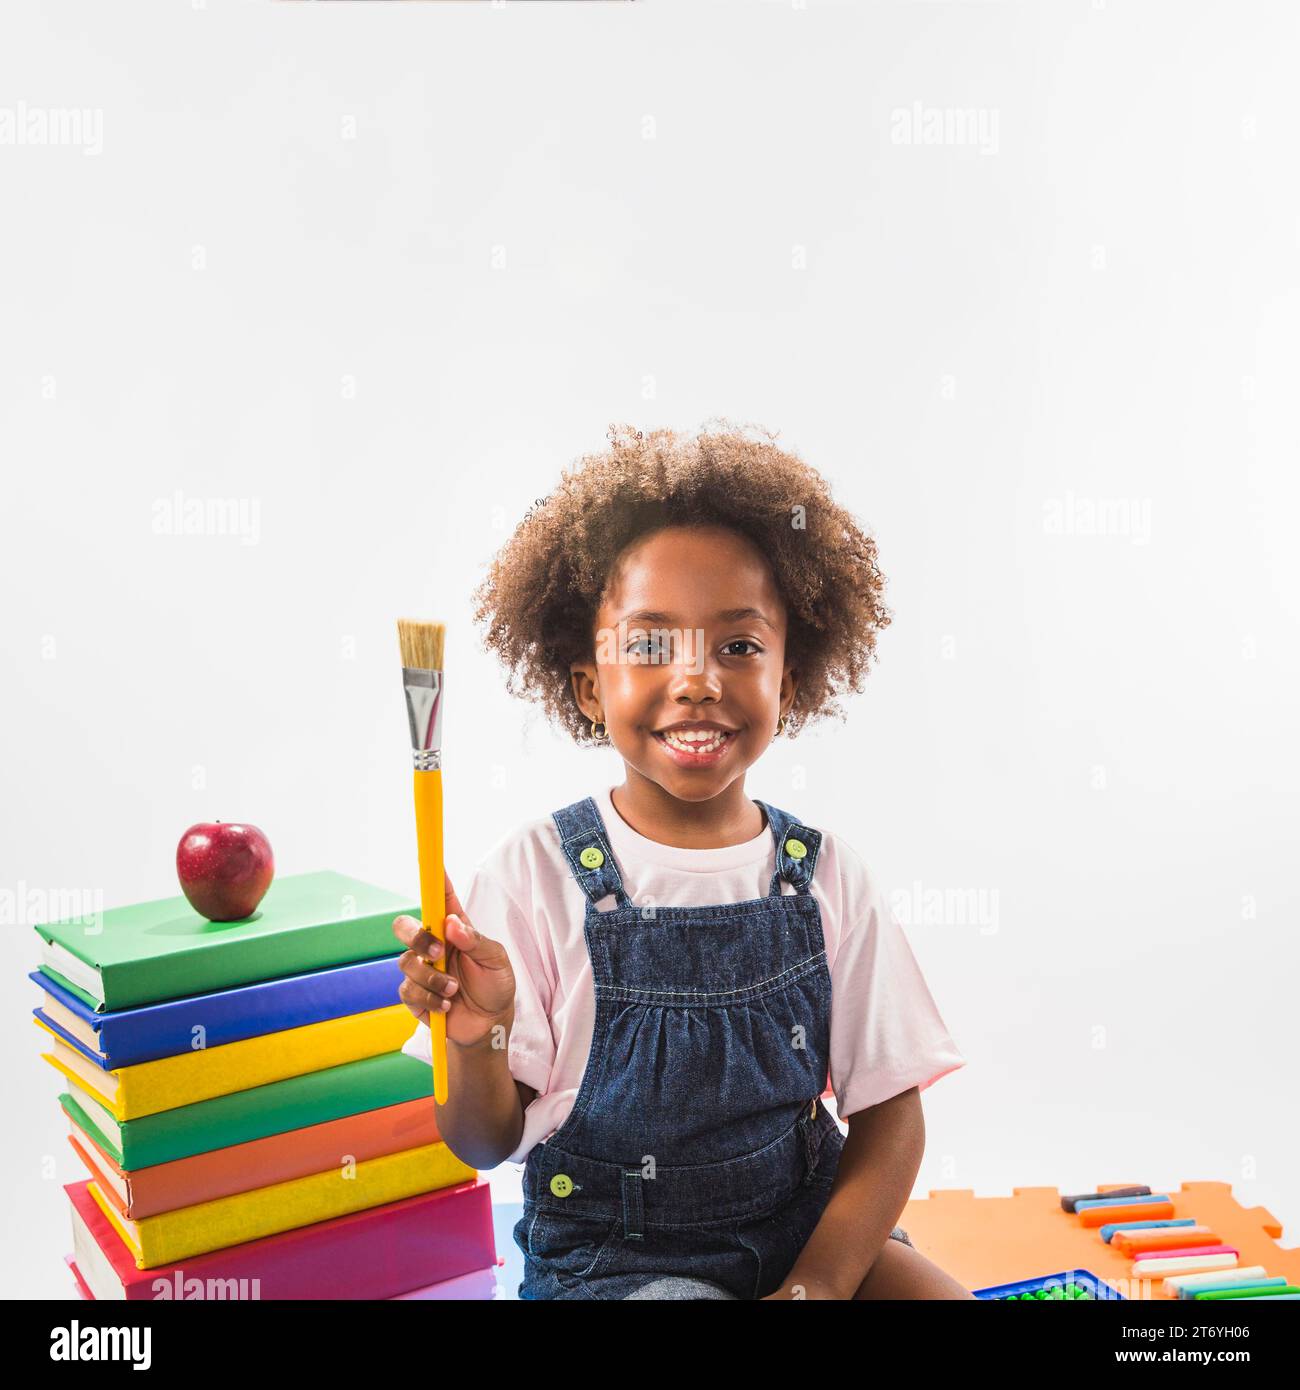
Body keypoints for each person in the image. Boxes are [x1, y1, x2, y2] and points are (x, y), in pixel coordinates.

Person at [395, 422, 972, 1299]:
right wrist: (479, 1038)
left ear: (790, 672)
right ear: (590, 683)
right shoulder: (531, 875)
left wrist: (815, 1285)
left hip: (803, 1233)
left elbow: (892, 1117)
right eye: (651, 643)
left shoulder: (824, 878)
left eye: (739, 646)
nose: (698, 678)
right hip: (618, 1267)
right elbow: (481, 1141)